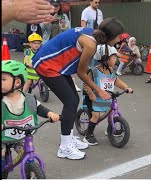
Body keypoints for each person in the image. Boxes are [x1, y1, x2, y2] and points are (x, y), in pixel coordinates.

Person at [31, 18, 125, 160]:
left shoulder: (92, 34)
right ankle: (64, 147)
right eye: (118, 36)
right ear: (111, 36)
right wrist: (98, 90)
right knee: (70, 102)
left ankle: (68, 137)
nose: (119, 39)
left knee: (74, 99)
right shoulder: (91, 44)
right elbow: (81, 73)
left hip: (57, 65)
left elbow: (82, 67)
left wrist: (96, 83)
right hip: (46, 65)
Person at [1, 60, 60, 171]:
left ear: (17, 82)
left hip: (20, 136)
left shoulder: (27, 98)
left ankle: (31, 170)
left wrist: (51, 114)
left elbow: (39, 108)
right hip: (3, 136)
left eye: (3, 79)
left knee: (26, 150)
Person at [82, 45, 133, 145]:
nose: (115, 60)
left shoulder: (111, 71)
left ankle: (111, 128)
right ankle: (88, 135)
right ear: (105, 59)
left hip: (107, 97)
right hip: (93, 99)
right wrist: (91, 94)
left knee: (111, 112)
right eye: (113, 57)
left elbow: (117, 81)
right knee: (96, 115)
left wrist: (126, 87)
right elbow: (86, 84)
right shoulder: (94, 71)